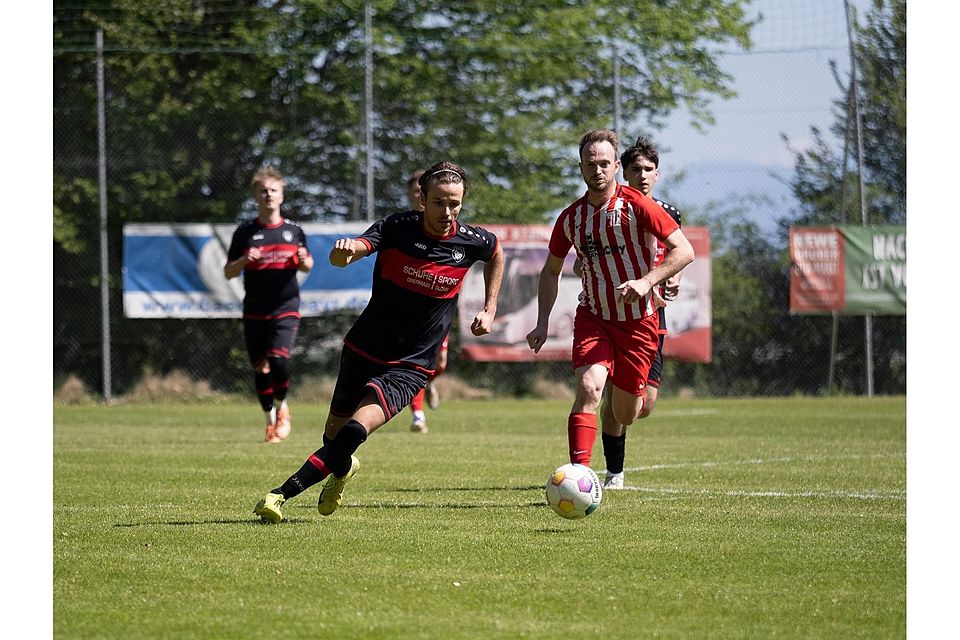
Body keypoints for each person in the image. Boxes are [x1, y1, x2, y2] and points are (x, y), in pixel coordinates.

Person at [253, 160, 504, 523]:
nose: (447, 212)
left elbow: (495, 253)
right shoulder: (397, 227)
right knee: (334, 440)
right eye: (439, 203)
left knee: (356, 429)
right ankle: (343, 470)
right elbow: (352, 251)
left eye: (455, 204)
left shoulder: (470, 241)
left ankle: (279, 495)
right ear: (423, 199)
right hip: (365, 347)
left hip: (412, 364)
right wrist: (345, 251)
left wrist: (490, 308)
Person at [526, 129, 694, 489]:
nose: (598, 170)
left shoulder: (639, 205)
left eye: (604, 163)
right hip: (594, 317)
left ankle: (614, 416)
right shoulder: (571, 218)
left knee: (626, 413)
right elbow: (551, 270)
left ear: (616, 166)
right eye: (591, 164)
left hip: (639, 322)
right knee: (589, 387)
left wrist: (647, 281)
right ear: (581, 168)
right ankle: (579, 479)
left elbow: (684, 250)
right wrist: (542, 322)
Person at [597, 135, 685, 489]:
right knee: (617, 401)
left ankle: (615, 399)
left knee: (643, 405)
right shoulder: (609, 212)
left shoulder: (669, 213)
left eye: (649, 169)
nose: (643, 175)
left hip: (652, 315)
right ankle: (614, 472)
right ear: (624, 172)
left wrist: (674, 278)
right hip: (613, 312)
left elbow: (678, 253)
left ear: (657, 174)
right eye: (636, 169)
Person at [225, 166, 313, 443]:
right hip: (255, 309)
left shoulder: (293, 230)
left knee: (279, 360)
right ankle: (269, 421)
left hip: (286, 307)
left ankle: (282, 407)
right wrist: (244, 260)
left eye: (274, 190)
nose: (269, 195)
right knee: (260, 368)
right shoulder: (245, 232)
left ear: (282, 195)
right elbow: (228, 272)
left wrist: (304, 261)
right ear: (256, 195)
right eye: (263, 190)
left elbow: (308, 264)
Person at [403, 169, 449, 433]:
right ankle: (418, 415)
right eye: (416, 191)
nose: (420, 195)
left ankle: (429, 382)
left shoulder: (444, 225)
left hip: (438, 308)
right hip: (410, 309)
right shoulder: (402, 228)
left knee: (439, 363)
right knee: (416, 361)